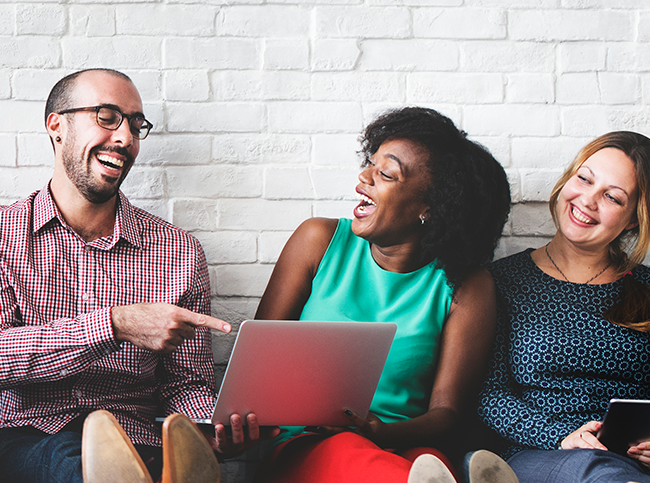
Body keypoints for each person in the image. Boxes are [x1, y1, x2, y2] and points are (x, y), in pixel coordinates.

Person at [225, 107, 515, 483]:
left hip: (403, 443)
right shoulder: (318, 241)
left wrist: (380, 433)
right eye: (369, 163)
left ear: (430, 208)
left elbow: (446, 412)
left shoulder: (466, 285)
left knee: (429, 463)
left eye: (386, 174)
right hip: (309, 444)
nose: (363, 178)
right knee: (356, 455)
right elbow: (254, 371)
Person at [0, 69, 251, 483]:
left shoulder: (178, 252)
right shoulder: (5, 236)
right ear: (56, 125)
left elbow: (184, 385)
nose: (125, 138)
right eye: (106, 116)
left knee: (155, 464)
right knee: (73, 461)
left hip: (139, 440)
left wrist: (214, 429)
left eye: (136, 125)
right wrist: (115, 325)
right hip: (27, 435)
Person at [478, 131, 650, 483]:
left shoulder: (644, 287)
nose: (587, 200)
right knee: (596, 471)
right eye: (584, 179)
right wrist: (561, 436)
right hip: (536, 452)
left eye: (613, 198)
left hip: (629, 460)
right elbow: (488, 393)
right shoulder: (500, 282)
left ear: (633, 219)